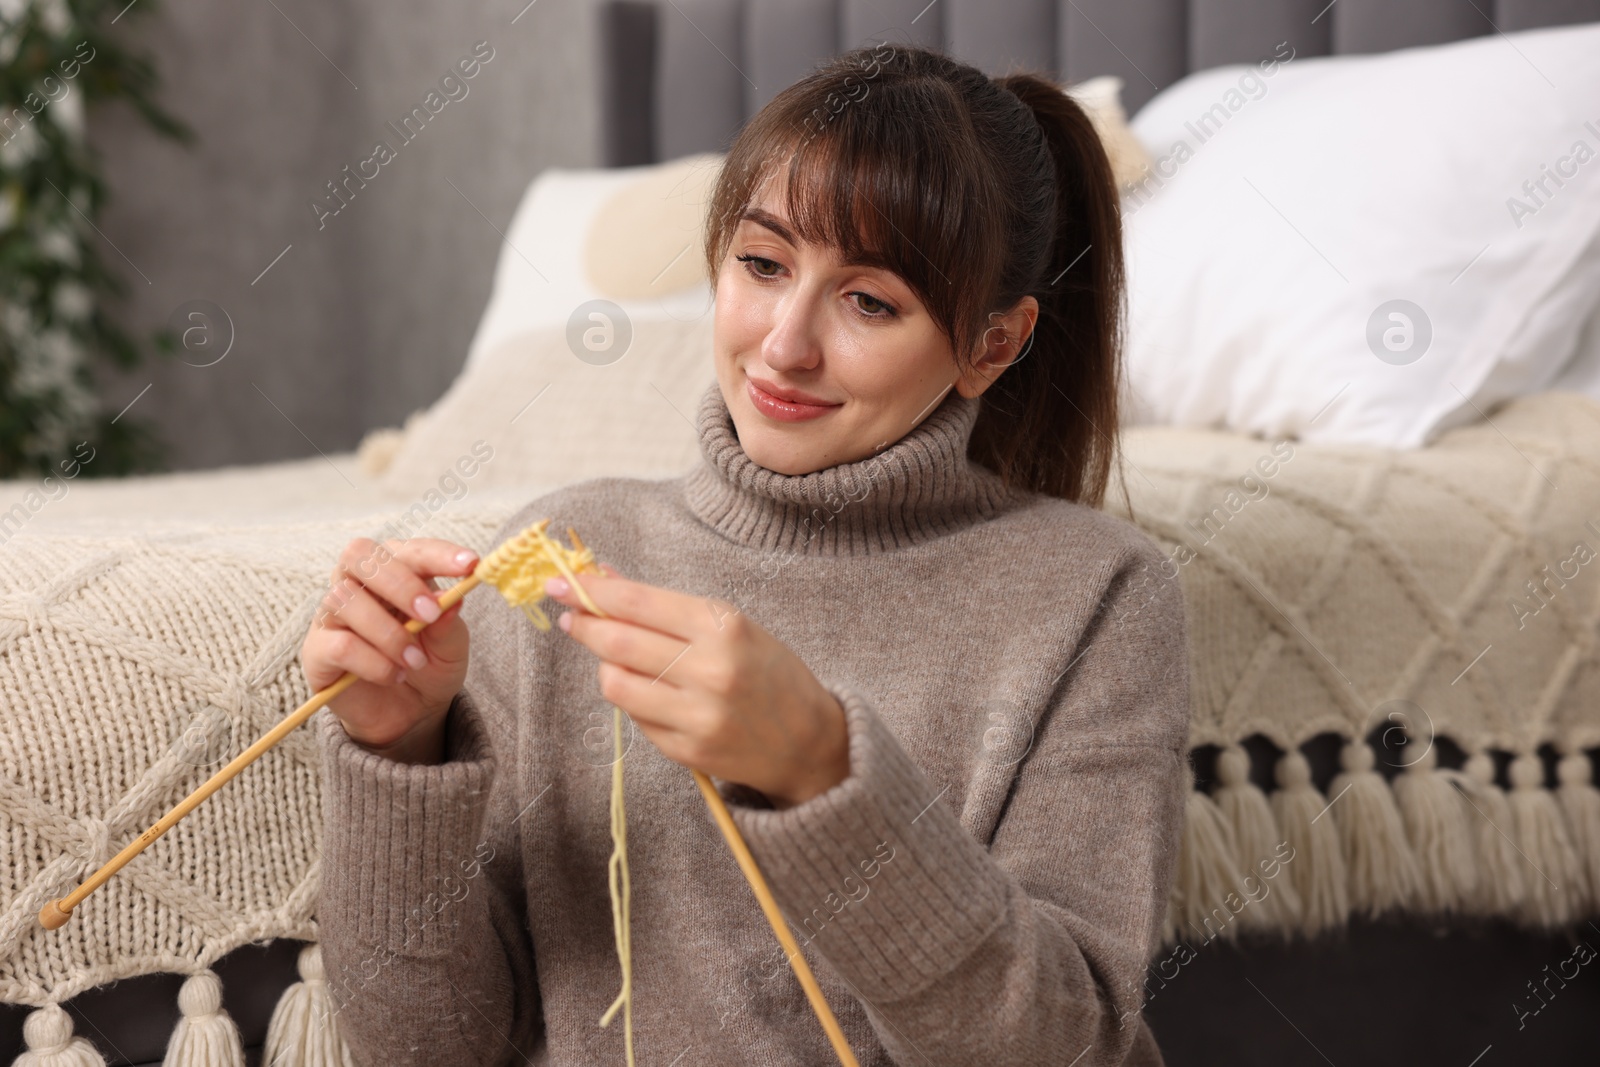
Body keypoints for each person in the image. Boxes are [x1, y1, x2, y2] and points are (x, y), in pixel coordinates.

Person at [300, 42, 1190, 1067]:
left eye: (870, 301)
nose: (783, 345)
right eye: (762, 265)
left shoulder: (1097, 596)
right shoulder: (566, 555)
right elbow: (426, 1051)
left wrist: (821, 771)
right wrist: (396, 756)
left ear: (991, 345)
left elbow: (1057, 1046)